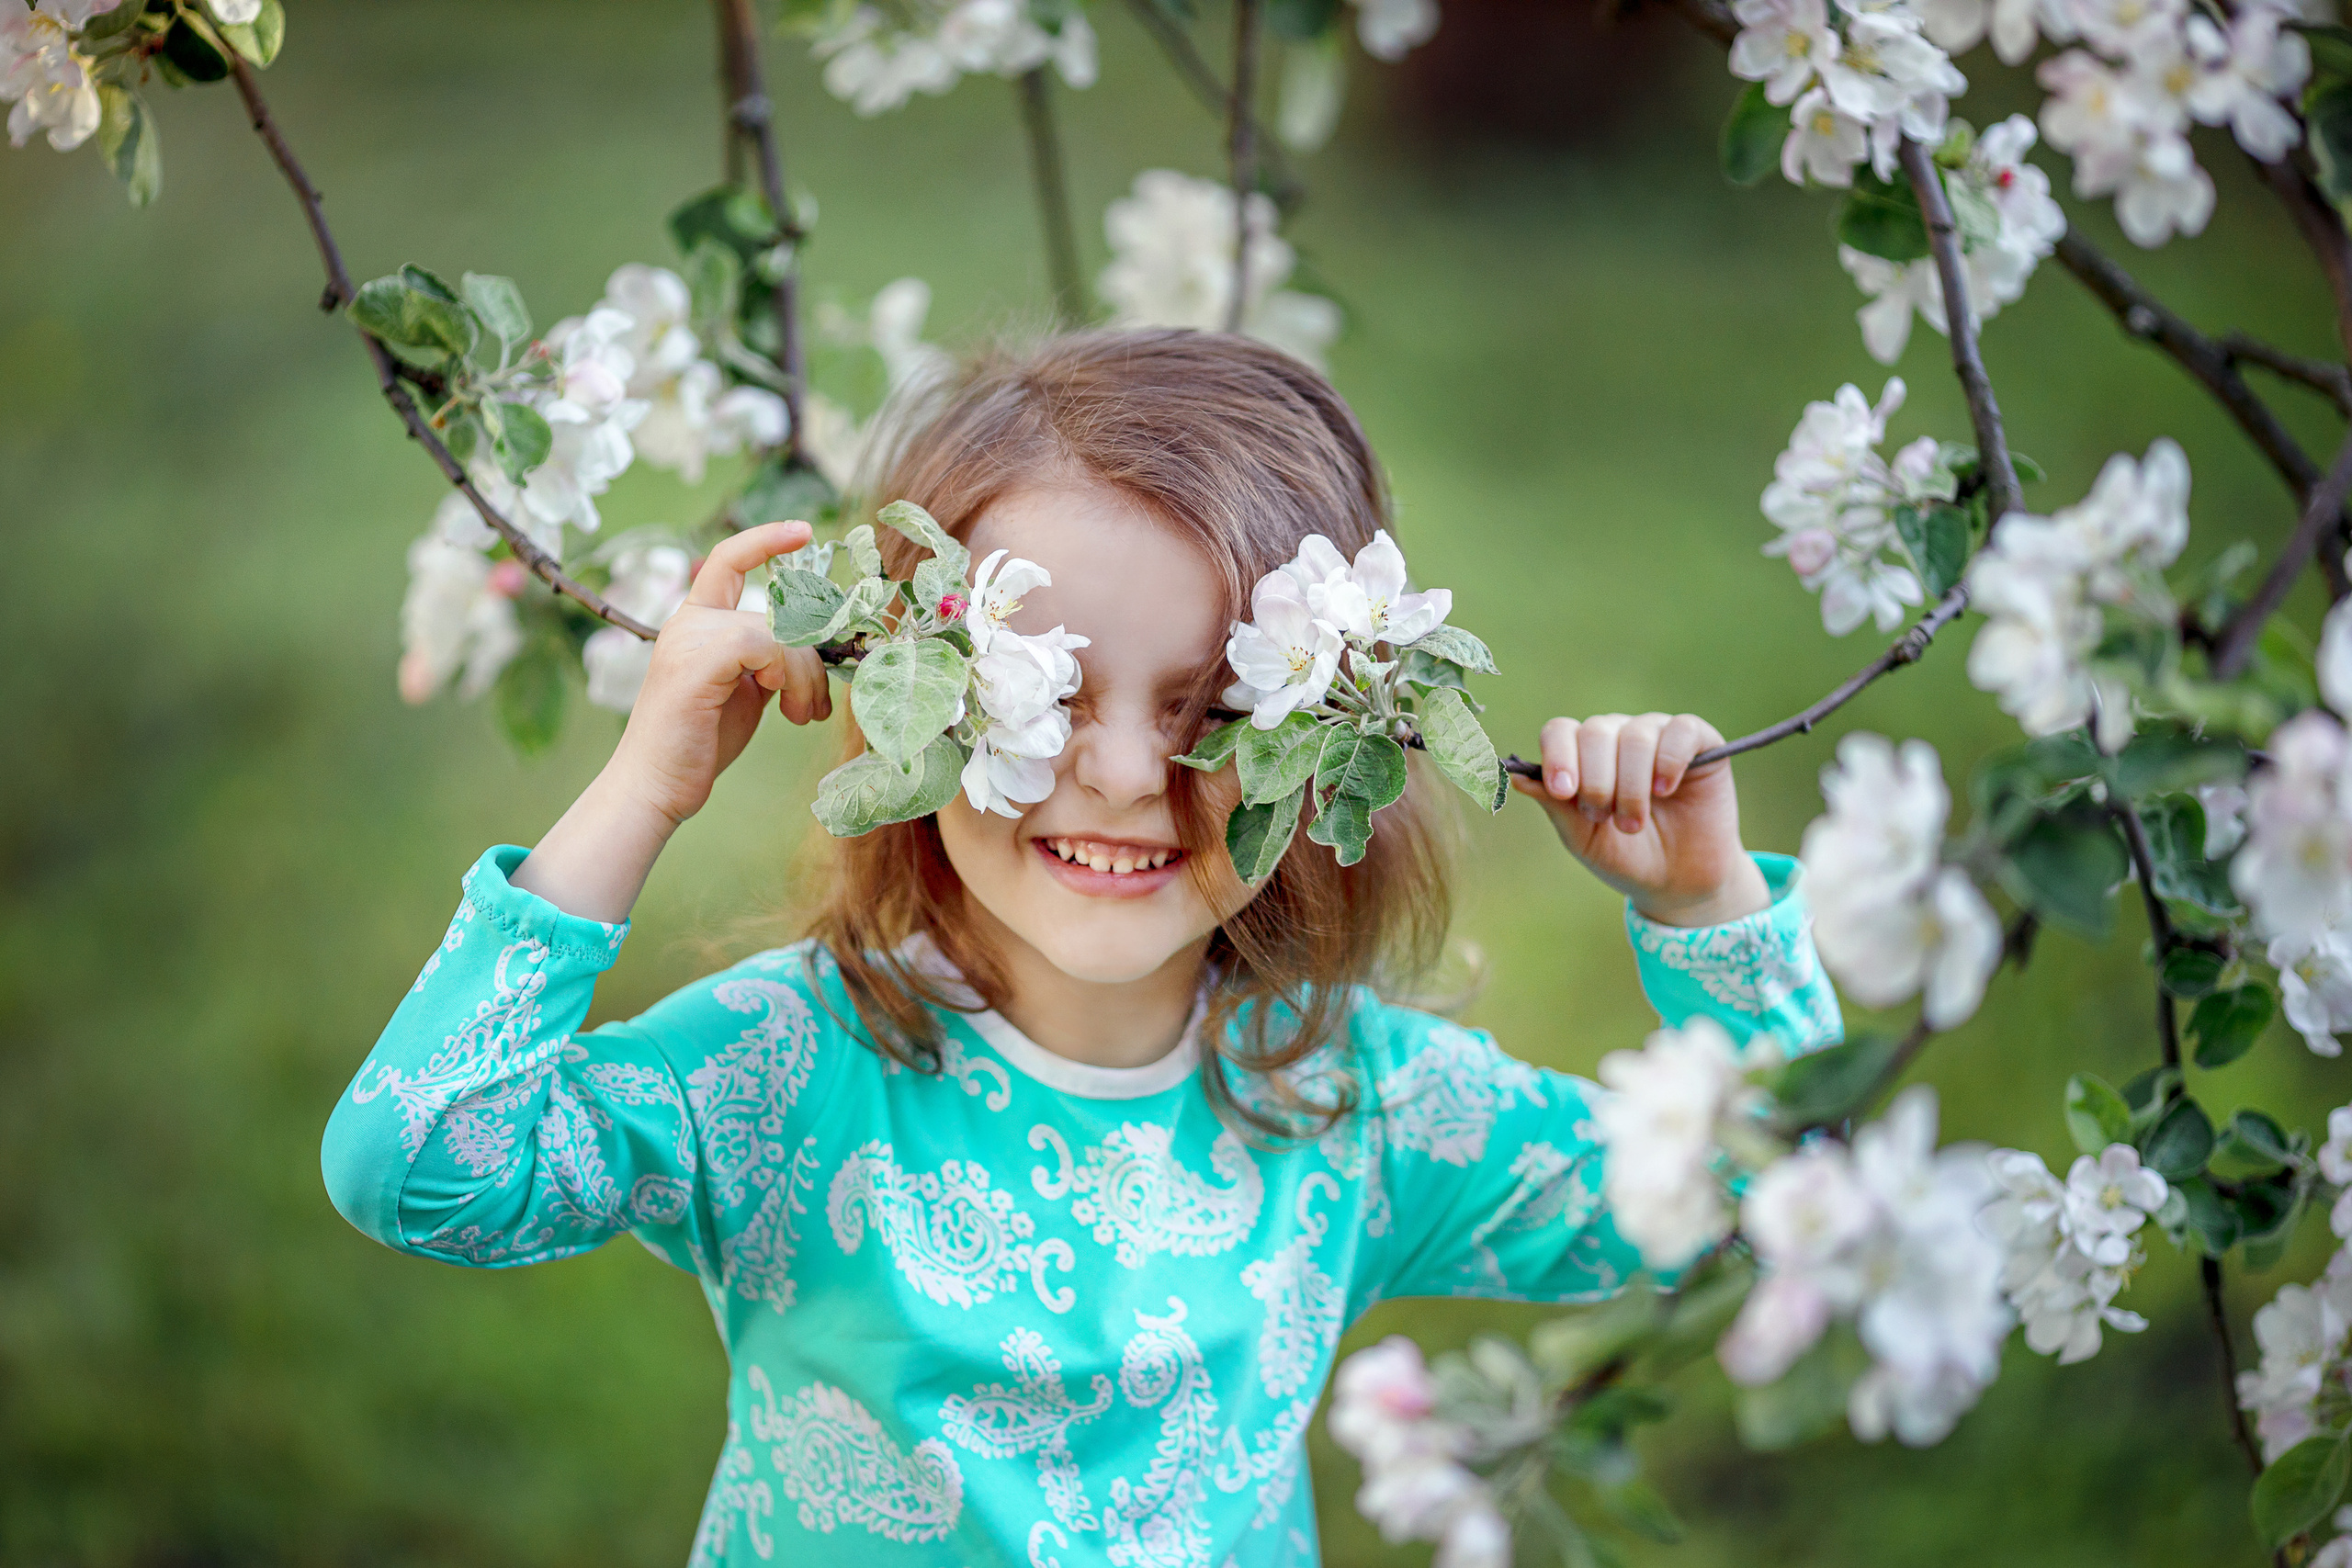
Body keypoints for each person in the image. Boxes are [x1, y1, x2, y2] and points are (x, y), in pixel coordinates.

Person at [322, 329, 1840, 1566]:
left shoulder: (1349, 1102)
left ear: (1332, 741)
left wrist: (1703, 906)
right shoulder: (788, 1072)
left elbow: (1775, 1215)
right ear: (911, 706)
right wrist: (646, 785)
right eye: (1045, 695)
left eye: (1212, 710)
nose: (1120, 776)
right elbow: (423, 1165)